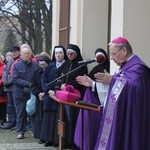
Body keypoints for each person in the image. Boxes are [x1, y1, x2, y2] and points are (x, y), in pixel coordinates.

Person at [76, 37, 150, 150]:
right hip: (122, 116)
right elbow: (115, 91)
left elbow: (136, 91)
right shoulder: (125, 67)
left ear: (124, 51)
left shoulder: (138, 68)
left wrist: (112, 81)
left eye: (114, 54)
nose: (111, 58)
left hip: (132, 119)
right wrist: (93, 85)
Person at [74, 48, 110, 150]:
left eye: (114, 54)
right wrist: (91, 84)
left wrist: (93, 84)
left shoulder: (111, 68)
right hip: (94, 100)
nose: (113, 57)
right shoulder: (95, 68)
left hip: (102, 104)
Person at [57, 44, 88, 148]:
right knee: (65, 118)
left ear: (76, 54)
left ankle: (75, 142)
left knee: (73, 119)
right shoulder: (66, 64)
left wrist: (68, 85)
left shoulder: (81, 65)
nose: (69, 56)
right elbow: (60, 75)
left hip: (75, 95)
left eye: (72, 54)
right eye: (68, 54)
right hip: (64, 95)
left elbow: (80, 80)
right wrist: (61, 83)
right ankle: (67, 141)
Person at [40, 46, 68, 147]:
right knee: (48, 118)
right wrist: (48, 91)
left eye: (60, 53)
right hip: (49, 96)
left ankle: (57, 140)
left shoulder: (67, 65)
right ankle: (48, 139)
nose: (58, 55)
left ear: (64, 54)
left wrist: (56, 92)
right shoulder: (50, 65)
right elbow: (44, 79)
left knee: (58, 117)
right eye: (56, 53)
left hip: (59, 96)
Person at [12, 44, 39, 139]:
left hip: (32, 93)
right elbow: (14, 79)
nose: (26, 55)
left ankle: (34, 130)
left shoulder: (36, 66)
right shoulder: (16, 65)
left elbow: (38, 78)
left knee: (32, 112)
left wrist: (33, 85)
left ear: (31, 54)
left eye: (28, 53)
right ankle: (20, 131)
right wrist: (28, 83)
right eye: (24, 53)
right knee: (20, 113)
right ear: (21, 55)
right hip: (20, 93)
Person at [30, 54, 50, 143]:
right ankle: (40, 136)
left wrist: (45, 93)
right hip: (39, 98)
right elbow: (33, 85)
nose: (42, 66)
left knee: (47, 118)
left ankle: (47, 137)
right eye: (40, 64)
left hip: (49, 97)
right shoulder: (36, 72)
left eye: (44, 64)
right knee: (39, 117)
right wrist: (38, 93)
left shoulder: (51, 71)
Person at [1, 46, 20, 130]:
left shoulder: (19, 60)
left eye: (15, 51)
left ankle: (18, 123)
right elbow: (5, 71)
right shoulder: (10, 61)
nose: (13, 53)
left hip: (15, 86)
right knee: (10, 106)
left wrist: (9, 82)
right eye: (12, 52)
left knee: (16, 106)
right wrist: (5, 81)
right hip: (8, 87)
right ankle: (12, 122)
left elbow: (16, 74)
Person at [0, 55, 7, 125]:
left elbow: (4, 76)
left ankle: (3, 119)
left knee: (2, 105)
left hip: (1, 88)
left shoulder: (4, 67)